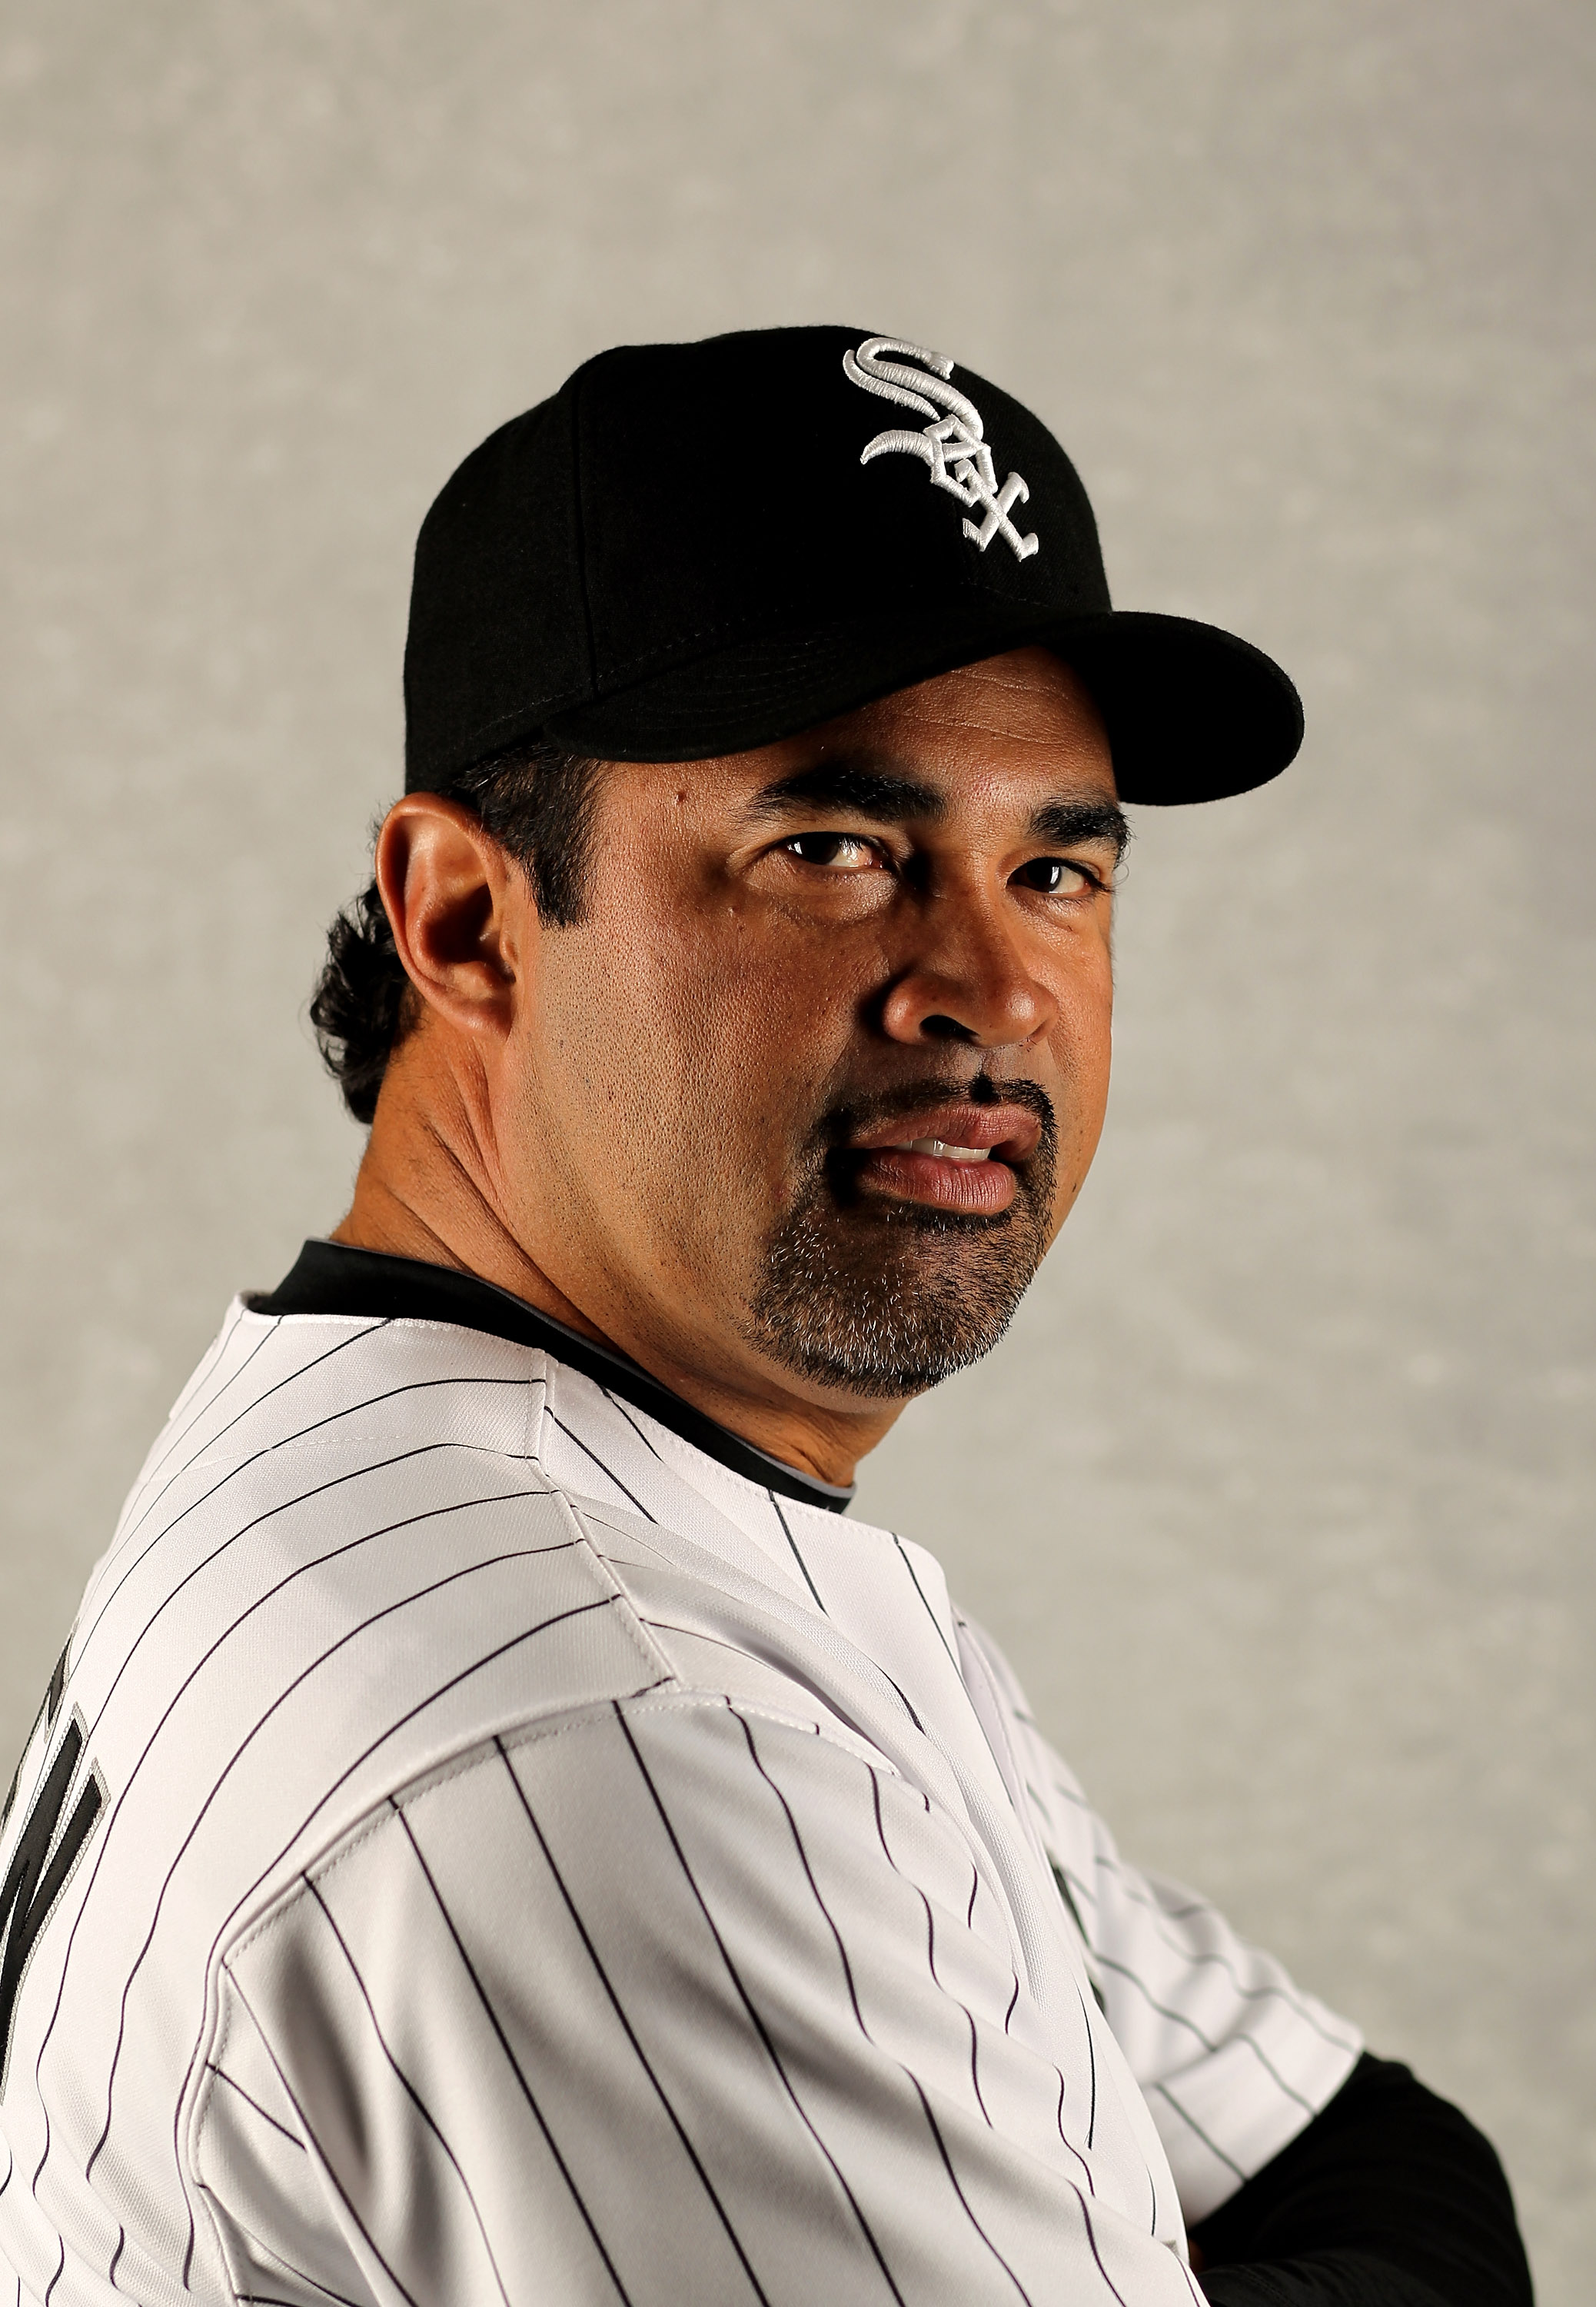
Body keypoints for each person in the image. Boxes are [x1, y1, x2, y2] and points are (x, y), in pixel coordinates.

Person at [0, 328, 1531, 2307]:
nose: (988, 985)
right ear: (467, 917)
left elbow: (1373, 2157)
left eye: (1057, 864)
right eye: (833, 851)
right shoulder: (608, 1710)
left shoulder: (543, 1480)